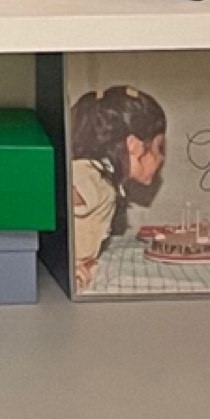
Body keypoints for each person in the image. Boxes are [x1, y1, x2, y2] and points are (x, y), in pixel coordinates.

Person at [68, 85, 167, 292]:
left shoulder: (104, 182)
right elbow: (49, 199)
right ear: (134, 146)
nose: (161, 158)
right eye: (160, 148)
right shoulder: (92, 177)